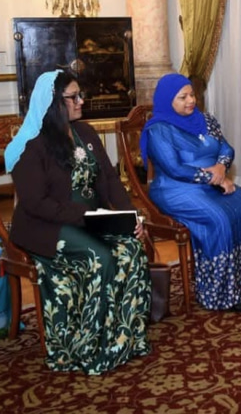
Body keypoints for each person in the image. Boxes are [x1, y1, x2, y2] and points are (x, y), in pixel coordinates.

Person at [7, 70, 150, 374]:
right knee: (99, 258)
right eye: (73, 97)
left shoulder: (84, 132)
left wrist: (131, 216)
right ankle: (88, 348)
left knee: (132, 249)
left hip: (90, 219)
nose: (81, 101)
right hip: (46, 227)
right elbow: (36, 203)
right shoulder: (30, 145)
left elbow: (110, 178)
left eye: (79, 95)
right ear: (53, 103)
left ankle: (124, 339)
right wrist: (85, 217)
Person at [141, 73, 241, 312]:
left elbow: (226, 148)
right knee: (218, 218)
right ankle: (218, 293)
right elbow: (174, 169)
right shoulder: (159, 130)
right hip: (174, 189)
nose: (191, 100)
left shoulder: (205, 120)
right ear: (168, 99)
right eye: (183, 97)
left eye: (192, 95)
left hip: (210, 183)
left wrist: (220, 167)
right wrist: (214, 178)